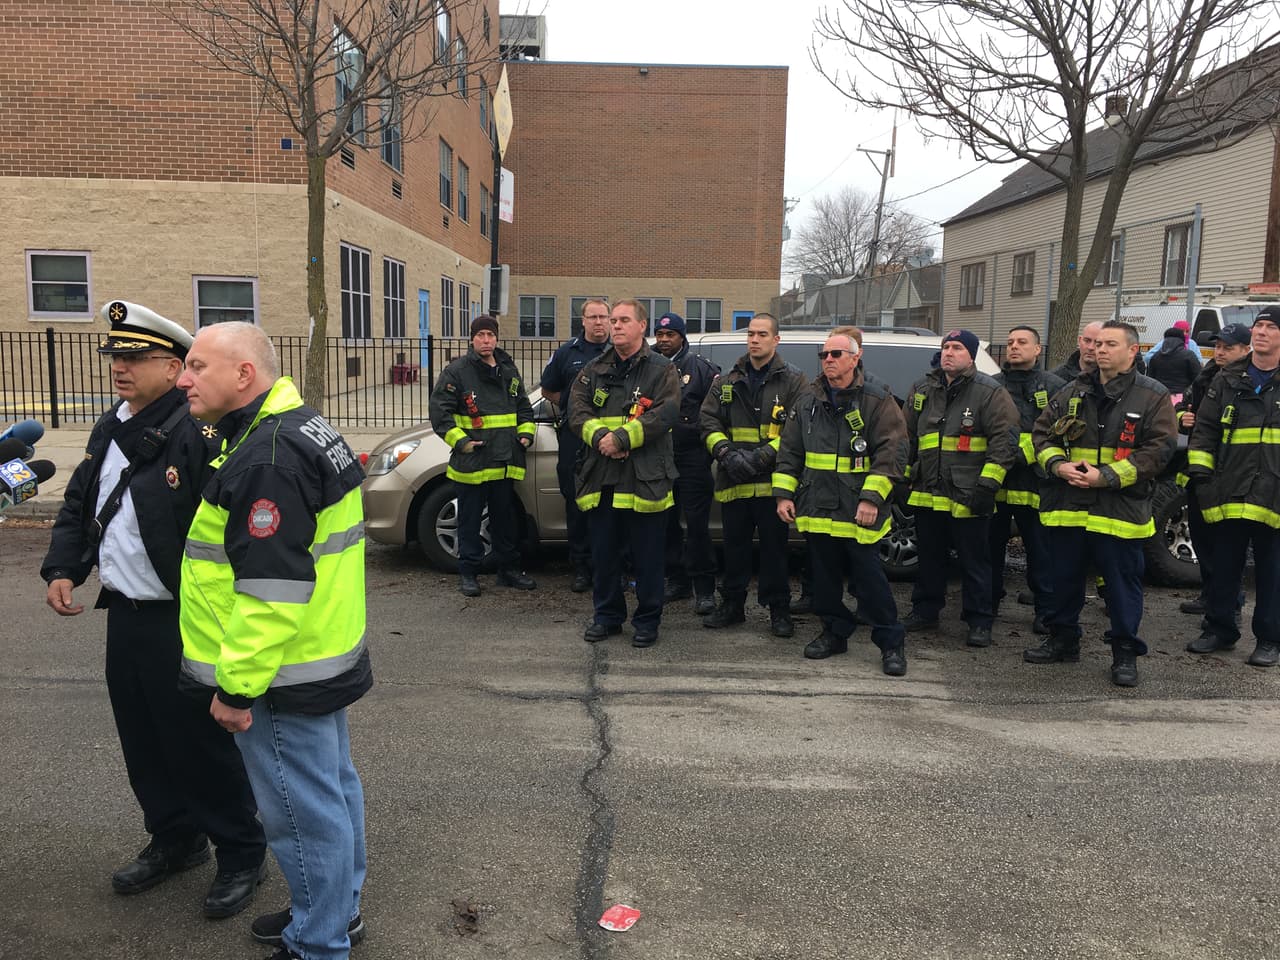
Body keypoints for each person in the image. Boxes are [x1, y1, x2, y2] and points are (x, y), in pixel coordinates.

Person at [41, 300, 266, 917]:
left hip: (181, 614)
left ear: (174, 369)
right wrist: (65, 566)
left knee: (197, 741)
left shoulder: (198, 431)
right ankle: (174, 837)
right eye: (116, 355)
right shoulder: (110, 424)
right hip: (128, 611)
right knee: (142, 736)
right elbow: (81, 500)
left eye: (137, 357)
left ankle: (241, 851)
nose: (122, 367)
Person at [175, 322, 372, 959]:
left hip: (280, 673)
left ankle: (319, 943)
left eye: (198, 366)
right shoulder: (297, 426)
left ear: (244, 375)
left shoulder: (268, 456)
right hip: (315, 656)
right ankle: (336, 914)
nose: (184, 378)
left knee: (300, 813)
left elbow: (269, 590)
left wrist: (236, 687)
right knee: (333, 792)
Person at [1027, 319, 1176, 686]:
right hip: (1070, 506)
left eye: (1110, 344)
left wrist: (1105, 476)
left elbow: (1158, 451)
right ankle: (1063, 640)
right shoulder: (1072, 391)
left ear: (1132, 351)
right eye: (1097, 344)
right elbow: (1040, 435)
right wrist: (1058, 466)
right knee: (1063, 579)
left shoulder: (1152, 396)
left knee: (1122, 587)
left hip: (1119, 512)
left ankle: (1125, 653)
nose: (1099, 350)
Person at [774, 327, 909, 674]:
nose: (829, 361)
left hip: (858, 509)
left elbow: (892, 453)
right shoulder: (807, 402)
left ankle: (891, 643)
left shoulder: (877, 400)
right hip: (817, 507)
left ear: (855, 357)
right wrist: (784, 495)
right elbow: (790, 451)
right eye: (824, 355)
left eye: (836, 355)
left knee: (870, 580)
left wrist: (871, 499)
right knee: (823, 580)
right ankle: (834, 632)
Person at [568, 298, 680, 647]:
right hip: (602, 477)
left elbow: (666, 413)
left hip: (645, 479)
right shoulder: (593, 369)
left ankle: (647, 621)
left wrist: (622, 438)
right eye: (613, 320)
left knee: (648, 558)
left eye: (623, 320)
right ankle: (607, 617)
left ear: (641, 326)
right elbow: (576, 411)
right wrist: (601, 437)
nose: (615, 326)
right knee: (604, 555)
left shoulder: (662, 370)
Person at [902, 329, 1019, 647]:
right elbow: (906, 438)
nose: (948, 353)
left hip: (970, 495)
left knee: (974, 561)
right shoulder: (922, 389)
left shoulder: (990, 393)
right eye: (945, 347)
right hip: (928, 493)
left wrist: (987, 486)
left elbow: (1005, 442)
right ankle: (925, 611)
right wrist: (903, 475)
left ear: (970, 355)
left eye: (956, 348)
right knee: (929, 558)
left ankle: (979, 621)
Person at [699, 313, 809, 637]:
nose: (754, 339)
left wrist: (763, 456)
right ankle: (732, 606)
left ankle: (779, 610)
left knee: (775, 553)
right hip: (734, 481)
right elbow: (708, 421)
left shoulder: (794, 381)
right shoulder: (726, 381)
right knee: (733, 550)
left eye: (762, 334)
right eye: (750, 334)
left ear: (776, 340)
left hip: (774, 484)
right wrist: (725, 453)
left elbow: (797, 429)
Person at [1186, 306, 1280, 666]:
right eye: (1259, 325)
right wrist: (1204, 484)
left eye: (1271, 327)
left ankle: (1269, 639)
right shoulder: (1227, 379)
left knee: (1272, 572)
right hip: (1229, 493)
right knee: (1223, 567)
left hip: (1274, 494)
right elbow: (1204, 433)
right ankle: (1219, 629)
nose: (1262, 332)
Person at [429, 315, 537, 597]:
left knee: (505, 520)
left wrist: (526, 435)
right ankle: (469, 573)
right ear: (472, 339)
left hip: (504, 461)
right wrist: (462, 442)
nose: (486, 340)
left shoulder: (508, 369)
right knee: (469, 520)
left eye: (490, 335)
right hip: (472, 462)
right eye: (481, 335)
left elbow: (524, 406)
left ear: (497, 338)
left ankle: (508, 570)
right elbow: (440, 413)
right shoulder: (457, 372)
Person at [988, 325, 1064, 635]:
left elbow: (1061, 431)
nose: (1014, 347)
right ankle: (985, 607)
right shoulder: (990, 387)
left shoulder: (1056, 386)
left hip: (1036, 483)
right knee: (988, 551)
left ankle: (1045, 612)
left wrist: (1025, 455)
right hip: (996, 482)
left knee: (1041, 553)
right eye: (1009, 343)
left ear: (1037, 349)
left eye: (1022, 342)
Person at [1175, 322, 1251, 621]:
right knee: (1203, 539)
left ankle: (1231, 601)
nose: (1220, 352)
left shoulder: (1246, 379)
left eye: (1228, 348)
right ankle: (1209, 594)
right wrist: (1185, 418)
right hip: (1200, 473)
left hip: (1230, 474)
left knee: (1227, 547)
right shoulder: (1206, 375)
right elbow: (1184, 405)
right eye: (1217, 346)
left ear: (1246, 350)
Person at [540, 299, 611, 592]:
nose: (599, 322)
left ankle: (612, 567)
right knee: (576, 503)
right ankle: (581, 568)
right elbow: (548, 390)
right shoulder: (567, 353)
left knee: (611, 505)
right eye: (592, 317)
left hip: (611, 438)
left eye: (603, 317)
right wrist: (574, 408)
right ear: (582, 320)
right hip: (575, 438)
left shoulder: (620, 351)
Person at [652, 311, 719, 615]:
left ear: (682, 337)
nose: (664, 340)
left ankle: (704, 589)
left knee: (696, 526)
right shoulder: (648, 366)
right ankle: (676, 580)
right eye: (660, 335)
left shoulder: (701, 369)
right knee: (665, 523)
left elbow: (714, 413)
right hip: (657, 457)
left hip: (691, 458)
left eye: (670, 335)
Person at [1147, 324, 1202, 395]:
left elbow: (1151, 378)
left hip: (1159, 396)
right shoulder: (1189, 355)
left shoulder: (1156, 356)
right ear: (1182, 340)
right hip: (1182, 396)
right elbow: (1198, 378)